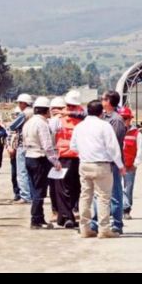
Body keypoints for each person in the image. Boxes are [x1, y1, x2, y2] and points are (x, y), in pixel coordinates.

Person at [70, 99, 126, 239]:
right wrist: (120, 165)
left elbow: (73, 147)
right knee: (103, 198)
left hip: (84, 165)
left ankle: (85, 228)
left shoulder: (79, 127)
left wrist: (85, 152)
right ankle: (104, 229)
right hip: (101, 165)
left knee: (85, 196)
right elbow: (113, 148)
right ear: (101, 112)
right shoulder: (104, 126)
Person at [22, 97, 62, 229]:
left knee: (35, 189)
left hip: (29, 156)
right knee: (40, 190)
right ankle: (35, 220)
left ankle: (40, 217)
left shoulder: (29, 122)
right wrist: (55, 161)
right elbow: (47, 145)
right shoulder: (42, 124)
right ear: (47, 110)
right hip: (39, 158)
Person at [89, 90, 126, 234]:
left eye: (103, 99)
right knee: (99, 194)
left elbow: (115, 143)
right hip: (102, 162)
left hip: (112, 163)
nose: (101, 101)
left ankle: (117, 223)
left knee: (115, 194)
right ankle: (95, 222)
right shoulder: (102, 118)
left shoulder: (116, 120)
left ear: (109, 102)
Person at [49, 93, 85, 228]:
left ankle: (67, 216)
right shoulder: (81, 118)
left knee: (66, 188)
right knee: (70, 188)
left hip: (69, 157)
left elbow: (50, 133)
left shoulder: (60, 119)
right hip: (70, 157)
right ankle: (64, 216)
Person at [119, 107, 142, 220]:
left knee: (128, 188)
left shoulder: (136, 134)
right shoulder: (114, 131)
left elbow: (141, 149)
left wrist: (136, 164)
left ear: (130, 119)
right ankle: (116, 209)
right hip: (116, 165)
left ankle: (126, 210)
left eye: (126, 118)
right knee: (116, 188)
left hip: (129, 166)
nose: (124, 121)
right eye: (122, 118)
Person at [9, 94, 34, 204]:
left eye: (20, 103)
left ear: (24, 103)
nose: (19, 105)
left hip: (22, 144)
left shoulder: (24, 114)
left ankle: (25, 196)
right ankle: (31, 194)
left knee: (22, 172)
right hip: (34, 145)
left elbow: (12, 126)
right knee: (31, 172)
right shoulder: (35, 113)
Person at [47, 97, 66, 223]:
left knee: (54, 186)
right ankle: (68, 210)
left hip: (53, 155)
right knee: (65, 186)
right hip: (64, 155)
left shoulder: (51, 122)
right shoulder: (67, 120)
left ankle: (56, 212)